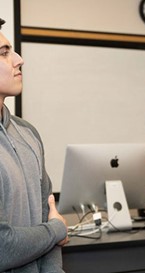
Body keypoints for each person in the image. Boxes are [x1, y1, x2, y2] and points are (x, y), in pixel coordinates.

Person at [0, 18, 68, 272]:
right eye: (4, 53)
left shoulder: (28, 133)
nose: (19, 60)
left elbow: (47, 215)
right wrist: (56, 230)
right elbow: (2, 248)